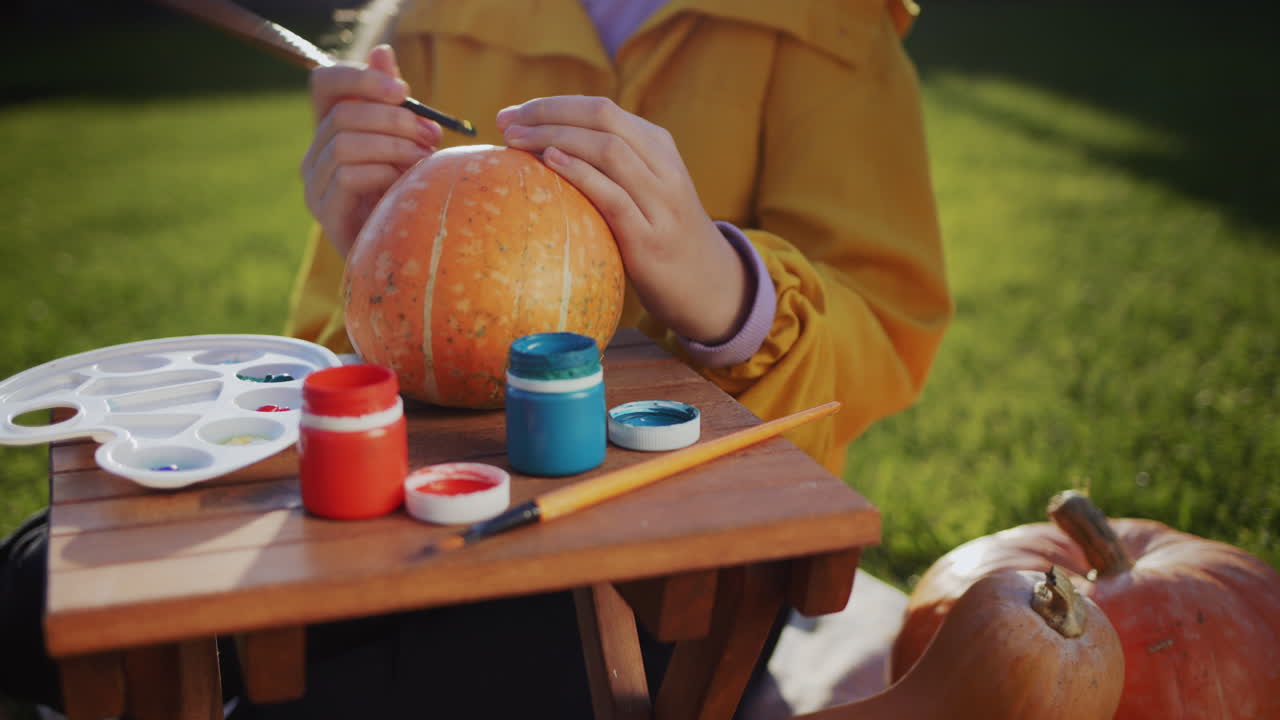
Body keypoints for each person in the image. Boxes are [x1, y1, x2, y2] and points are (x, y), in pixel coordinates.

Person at [0, 0, 949, 717]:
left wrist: (721, 282)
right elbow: (333, 363)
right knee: (40, 583)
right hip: (412, 510)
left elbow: (890, 333)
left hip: (672, 543)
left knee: (466, 659)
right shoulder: (433, 22)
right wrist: (366, 242)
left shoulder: (834, 29)